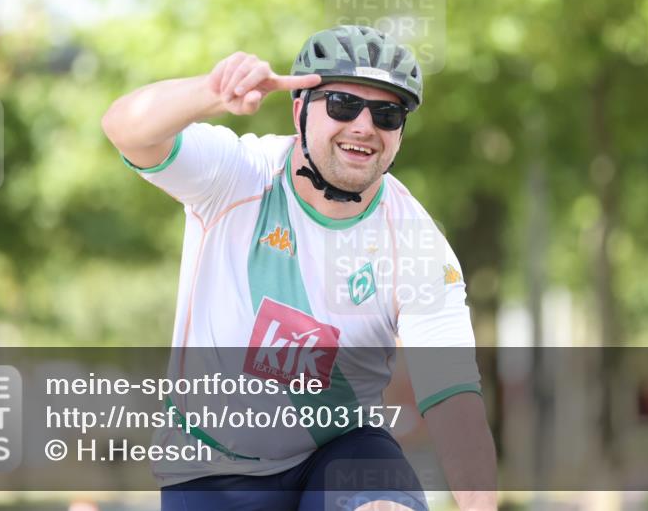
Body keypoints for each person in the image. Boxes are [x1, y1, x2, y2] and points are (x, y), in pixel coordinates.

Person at [102, 26, 496, 511]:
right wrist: (211, 91)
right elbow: (124, 128)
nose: (364, 126)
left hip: (339, 451)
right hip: (210, 466)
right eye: (343, 105)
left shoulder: (416, 244)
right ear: (299, 111)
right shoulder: (238, 174)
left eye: (387, 114)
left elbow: (453, 399)